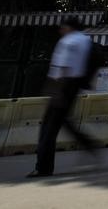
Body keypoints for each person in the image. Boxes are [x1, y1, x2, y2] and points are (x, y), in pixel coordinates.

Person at [27, 16, 99, 178]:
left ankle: (43, 167)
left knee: (48, 127)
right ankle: (89, 144)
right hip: (74, 85)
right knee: (63, 120)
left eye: (62, 27)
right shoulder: (86, 41)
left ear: (68, 27)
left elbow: (63, 66)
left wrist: (55, 89)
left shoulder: (68, 42)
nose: (60, 30)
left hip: (62, 84)